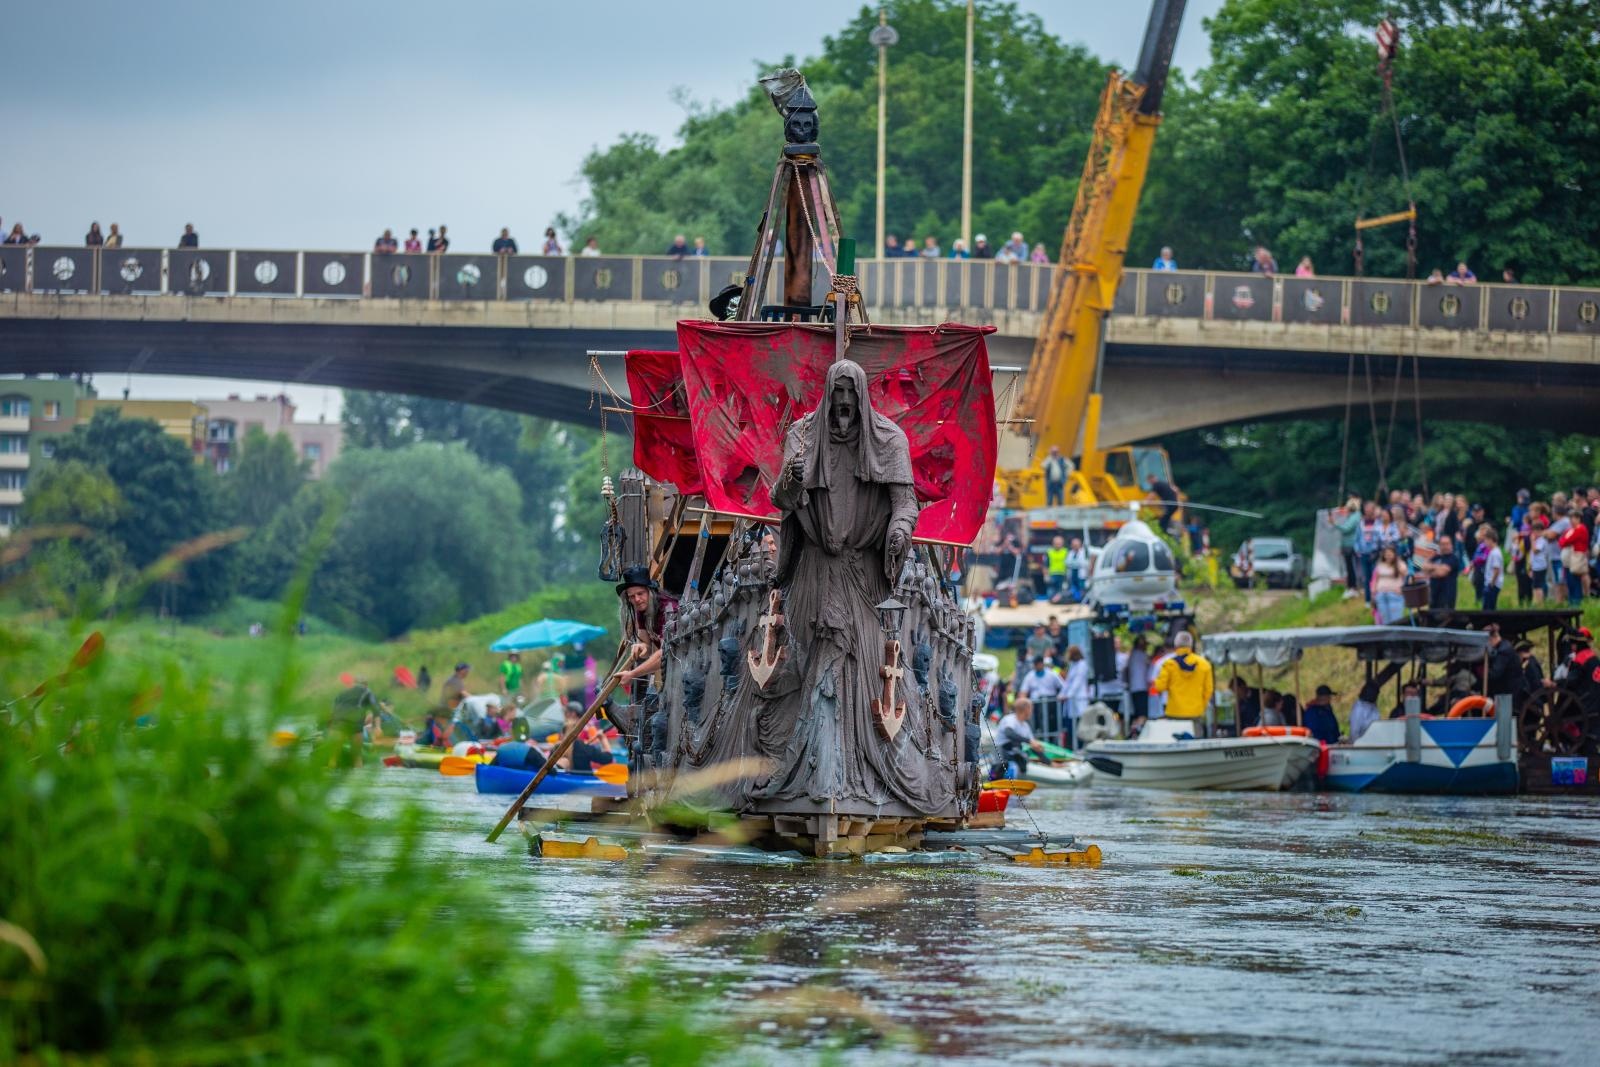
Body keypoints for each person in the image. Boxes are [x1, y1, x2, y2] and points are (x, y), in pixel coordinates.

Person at [615, 564, 677, 699]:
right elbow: (646, 646)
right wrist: (641, 646)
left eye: (640, 593)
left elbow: (665, 653)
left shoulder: (669, 609)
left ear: (650, 591)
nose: (636, 599)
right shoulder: (641, 609)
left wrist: (632, 674)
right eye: (632, 596)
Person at [1150, 632, 1213, 723]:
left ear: (1176, 645)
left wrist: (1157, 681)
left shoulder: (1169, 664)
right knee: (1195, 736)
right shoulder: (1204, 664)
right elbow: (1208, 689)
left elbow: (1160, 687)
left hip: (1174, 711)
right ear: (1191, 645)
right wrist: (1201, 706)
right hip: (1196, 711)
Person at [1017, 656, 1068, 743]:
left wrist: (1060, 696)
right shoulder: (1030, 676)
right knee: (1037, 724)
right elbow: (1023, 691)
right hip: (1036, 704)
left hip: (1050, 704)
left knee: (1052, 724)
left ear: (1042, 664)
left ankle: (1052, 741)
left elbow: (1063, 687)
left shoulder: (1051, 674)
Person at [995, 697, 1046, 778]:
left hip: (1014, 752)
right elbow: (1009, 734)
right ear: (1026, 709)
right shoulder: (1010, 719)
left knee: (1023, 755)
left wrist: (1048, 762)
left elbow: (1033, 747)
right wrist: (1029, 741)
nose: (1032, 712)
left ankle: (1020, 772)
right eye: (1031, 709)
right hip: (1002, 751)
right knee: (1018, 750)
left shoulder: (1025, 726)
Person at [1371, 543, 1407, 624]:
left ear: (1394, 554)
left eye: (1390, 554)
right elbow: (1375, 580)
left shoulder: (1400, 564)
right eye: (1386, 554)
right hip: (1381, 596)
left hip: (1395, 595)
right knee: (1385, 621)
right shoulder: (1379, 565)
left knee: (1396, 621)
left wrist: (1402, 589)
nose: (1388, 556)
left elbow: (1407, 577)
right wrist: (1373, 593)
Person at [1062, 646, 1090, 747]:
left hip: (1078, 700)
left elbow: (1077, 682)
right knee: (1070, 728)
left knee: (1078, 726)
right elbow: (1068, 682)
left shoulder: (1082, 665)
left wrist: (1068, 695)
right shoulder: (1073, 665)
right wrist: (1062, 694)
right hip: (1071, 703)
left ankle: (1079, 746)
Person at [1124, 635, 1152, 730]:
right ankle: (1137, 731)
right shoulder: (1142, 655)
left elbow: (1126, 670)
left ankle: (1134, 730)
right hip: (1141, 688)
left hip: (1134, 687)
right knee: (1142, 713)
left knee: (1137, 712)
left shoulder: (1132, 655)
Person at [1427, 534, 1461, 610]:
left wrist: (1432, 570)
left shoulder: (1453, 559)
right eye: (1442, 544)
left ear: (1451, 545)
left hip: (1447, 598)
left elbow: (1441, 573)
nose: (1445, 546)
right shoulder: (1436, 557)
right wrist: (1438, 568)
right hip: (1434, 596)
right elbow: (1425, 567)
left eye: (1447, 544)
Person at [1480, 527, 1505, 610]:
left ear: (1491, 540)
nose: (1485, 543)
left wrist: (1491, 583)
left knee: (1489, 608)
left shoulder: (1495, 553)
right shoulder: (1493, 552)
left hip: (1492, 585)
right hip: (1490, 583)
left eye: (1485, 540)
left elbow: (1496, 570)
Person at [1045, 535, 1069, 599]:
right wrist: (1046, 575)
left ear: (1062, 543)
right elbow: (1046, 565)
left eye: (1059, 543)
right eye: (1056, 543)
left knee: (1062, 591)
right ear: (1053, 543)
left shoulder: (1066, 551)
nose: (1058, 545)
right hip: (1052, 574)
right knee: (1051, 592)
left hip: (1063, 574)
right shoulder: (1049, 552)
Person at [1066, 536, 1089, 603]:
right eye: (1073, 545)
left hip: (1081, 575)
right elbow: (1067, 563)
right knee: (1073, 588)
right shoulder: (1070, 553)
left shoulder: (1084, 552)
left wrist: (1075, 564)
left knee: (1081, 588)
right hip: (1073, 575)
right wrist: (1075, 564)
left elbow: (1085, 563)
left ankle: (1082, 600)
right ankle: (1075, 600)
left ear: (1080, 545)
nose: (1075, 546)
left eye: (1076, 545)